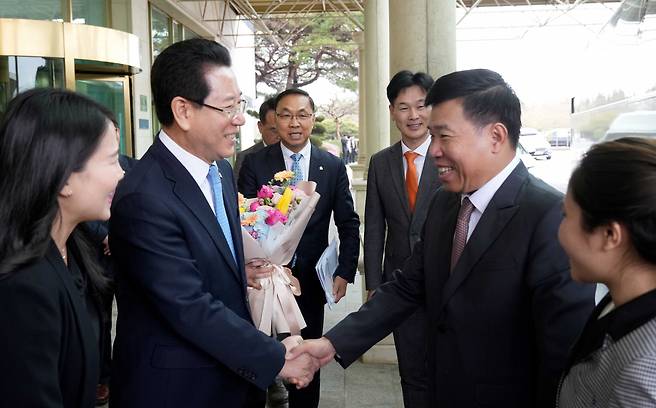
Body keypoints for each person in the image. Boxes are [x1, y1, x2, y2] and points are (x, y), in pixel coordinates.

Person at [290, 69, 595, 408]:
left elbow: (563, 355)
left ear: (496, 136)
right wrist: (332, 344)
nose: (433, 151)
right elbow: (408, 286)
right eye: (432, 136)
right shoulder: (446, 204)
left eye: (444, 137)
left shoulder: (551, 217)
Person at [108, 39, 317, 408]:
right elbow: (188, 305)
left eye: (240, 105)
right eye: (227, 107)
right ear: (183, 111)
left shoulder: (219, 170)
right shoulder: (145, 195)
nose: (240, 118)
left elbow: (211, 259)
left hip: (228, 376)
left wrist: (243, 270)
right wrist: (277, 357)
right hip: (176, 388)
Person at [0, 88, 125, 407]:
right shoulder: (24, 285)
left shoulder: (72, 250)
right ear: (64, 177)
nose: (121, 174)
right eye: (111, 160)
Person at [238, 88, 360, 408]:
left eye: (302, 115)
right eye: (286, 115)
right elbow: (243, 218)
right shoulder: (253, 163)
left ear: (312, 118)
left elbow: (348, 222)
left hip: (308, 282)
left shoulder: (331, 166)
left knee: (306, 360)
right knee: (257, 355)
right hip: (263, 280)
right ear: (274, 120)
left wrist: (345, 271)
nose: (294, 123)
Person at [557, 138, 656, 407]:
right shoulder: (619, 301)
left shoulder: (642, 378)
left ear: (610, 235)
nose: (560, 232)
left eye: (566, 216)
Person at [363, 70, 439, 408]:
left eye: (421, 106)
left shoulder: (447, 156)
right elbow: (375, 226)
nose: (414, 116)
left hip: (445, 278)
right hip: (399, 281)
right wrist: (374, 282)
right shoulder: (381, 163)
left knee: (446, 366)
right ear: (392, 111)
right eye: (404, 107)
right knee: (410, 369)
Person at [82, 152, 137, 405]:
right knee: (100, 319)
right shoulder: (85, 163)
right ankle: (101, 376)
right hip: (96, 254)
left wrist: (121, 236)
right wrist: (104, 237)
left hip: (126, 252)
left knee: (130, 316)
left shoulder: (132, 165)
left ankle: (125, 372)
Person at [234, 97, 279, 178]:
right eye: (274, 130)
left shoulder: (294, 156)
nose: (280, 136)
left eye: (283, 130)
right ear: (260, 127)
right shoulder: (245, 158)